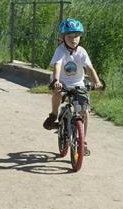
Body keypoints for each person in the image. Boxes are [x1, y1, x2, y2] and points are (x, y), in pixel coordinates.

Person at [43, 18, 103, 152]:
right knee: (57, 93)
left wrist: (97, 82)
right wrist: (56, 81)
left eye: (76, 36)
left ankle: (83, 142)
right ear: (63, 38)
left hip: (78, 85)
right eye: (69, 36)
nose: (73, 39)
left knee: (85, 112)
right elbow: (58, 65)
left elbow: (89, 68)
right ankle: (53, 114)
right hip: (62, 83)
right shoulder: (60, 50)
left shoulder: (82, 52)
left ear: (80, 37)